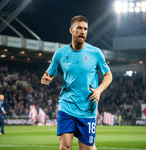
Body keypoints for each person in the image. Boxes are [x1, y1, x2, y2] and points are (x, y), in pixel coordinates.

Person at [41, 15, 113, 150]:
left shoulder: (96, 53)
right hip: (66, 106)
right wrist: (46, 78)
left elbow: (108, 75)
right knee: (65, 147)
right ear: (71, 30)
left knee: (86, 148)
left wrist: (99, 90)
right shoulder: (60, 53)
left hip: (87, 109)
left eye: (85, 29)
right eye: (79, 28)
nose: (83, 32)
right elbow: (49, 74)